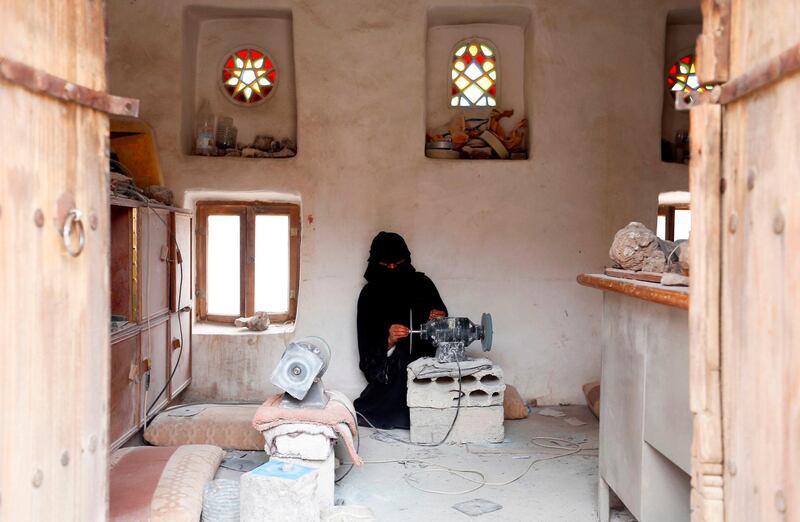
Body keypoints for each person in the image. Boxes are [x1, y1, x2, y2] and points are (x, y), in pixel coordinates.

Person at [353, 231, 447, 429]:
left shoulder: (423, 285)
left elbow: (444, 326)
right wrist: (389, 340)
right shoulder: (369, 295)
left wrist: (439, 318)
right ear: (376, 263)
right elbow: (366, 342)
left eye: (398, 264)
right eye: (386, 266)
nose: (393, 269)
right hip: (391, 372)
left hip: (424, 366)